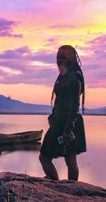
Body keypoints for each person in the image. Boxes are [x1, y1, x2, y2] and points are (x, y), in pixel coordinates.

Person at [39, 45, 86, 181]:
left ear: (70, 59)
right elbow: (61, 102)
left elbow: (74, 106)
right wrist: (53, 117)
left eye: (63, 57)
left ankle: (68, 190)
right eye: (58, 57)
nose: (59, 60)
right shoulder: (64, 75)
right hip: (60, 122)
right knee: (61, 159)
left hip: (68, 124)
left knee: (65, 160)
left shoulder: (73, 77)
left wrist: (68, 130)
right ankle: (59, 186)